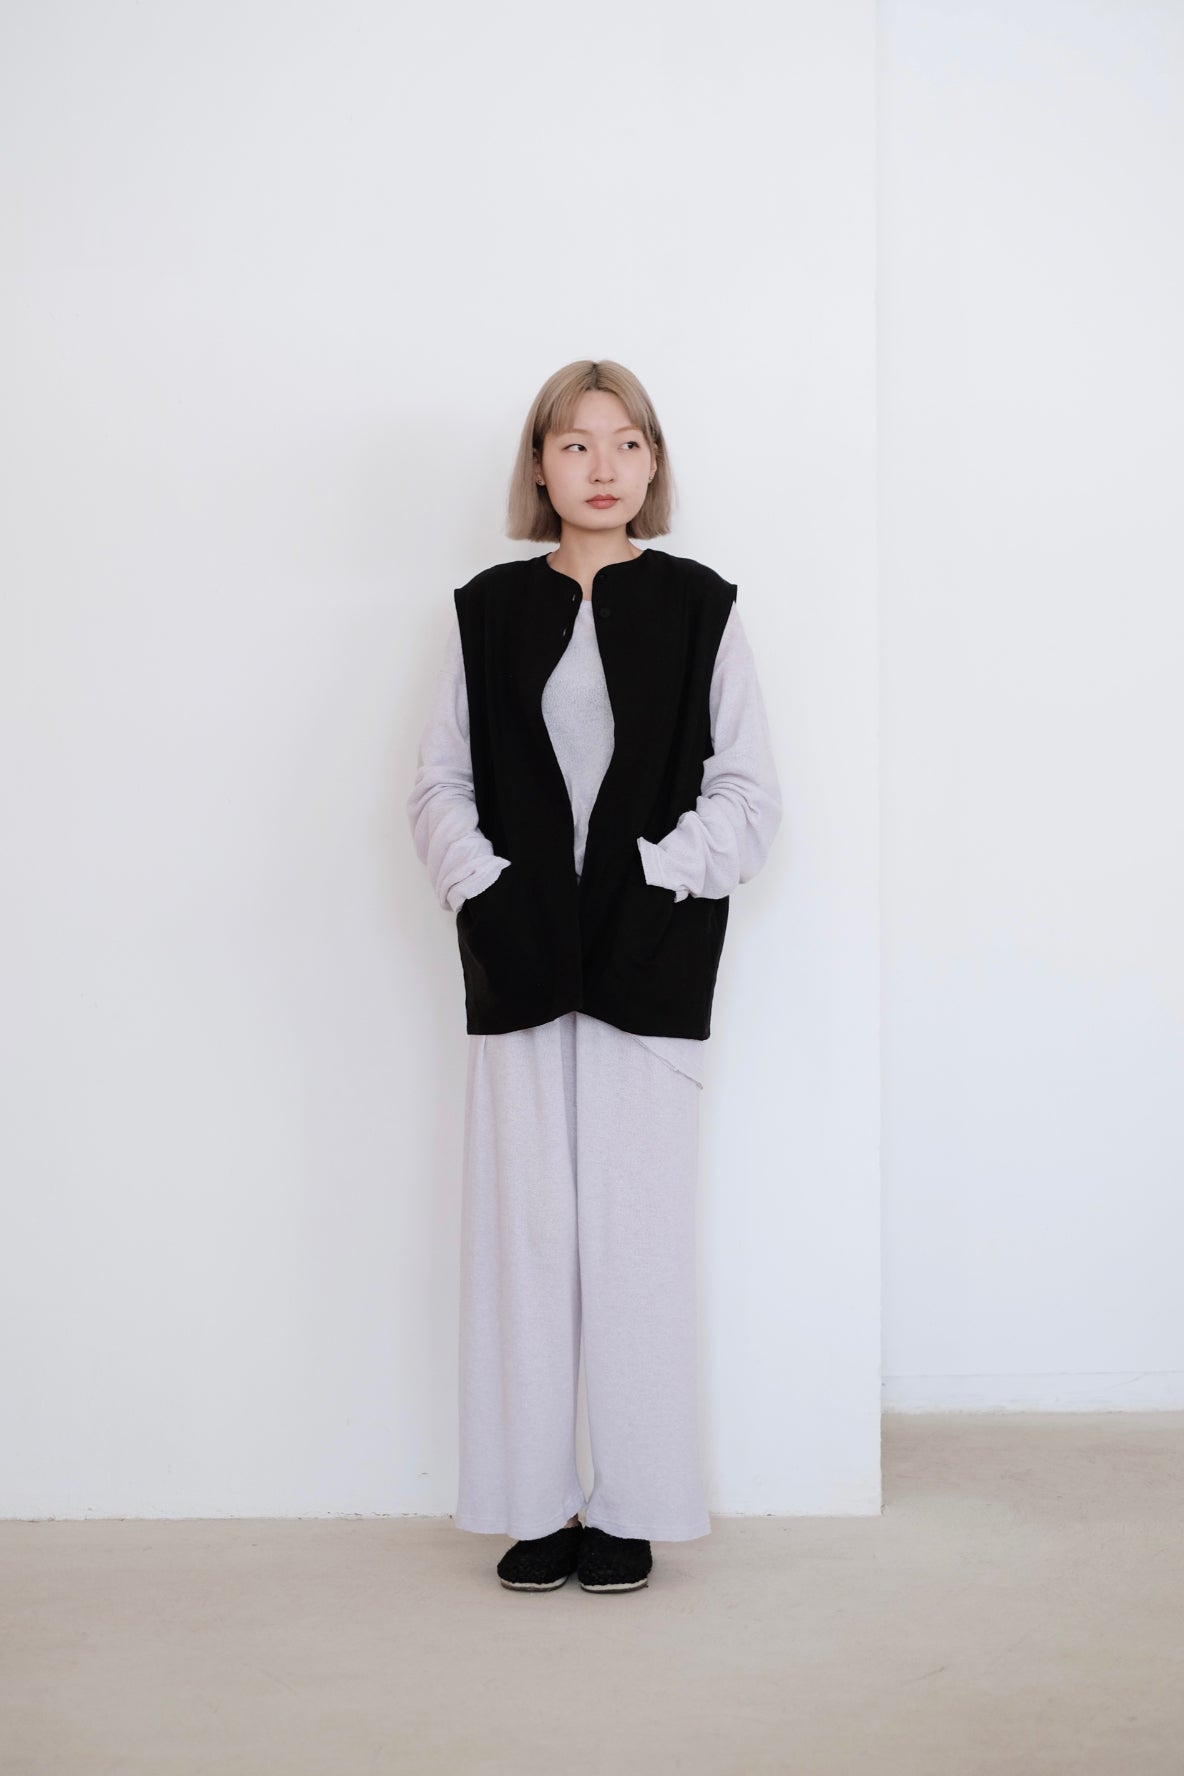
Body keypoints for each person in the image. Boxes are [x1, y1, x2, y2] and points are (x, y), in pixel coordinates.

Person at [407, 359, 782, 1594]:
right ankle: (531, 1505)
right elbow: (438, 785)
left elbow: (748, 792)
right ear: (539, 466)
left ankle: (632, 1507)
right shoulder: (485, 611)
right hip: (517, 961)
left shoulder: (699, 607)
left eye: (626, 443)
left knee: (633, 1244)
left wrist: (656, 875)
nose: (603, 467)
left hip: (648, 961)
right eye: (575, 445)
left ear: (653, 462)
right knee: (523, 1241)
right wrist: (484, 886)